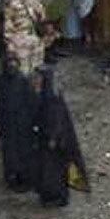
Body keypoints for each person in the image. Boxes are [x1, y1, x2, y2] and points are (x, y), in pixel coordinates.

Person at [32, 68, 85, 208]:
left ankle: (57, 196)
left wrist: (53, 137)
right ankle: (51, 195)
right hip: (49, 141)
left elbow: (57, 121)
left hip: (55, 143)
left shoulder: (53, 100)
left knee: (54, 172)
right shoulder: (49, 96)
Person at [0, 62, 40, 192]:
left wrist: (34, 122)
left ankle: (27, 179)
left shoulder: (23, 81)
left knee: (24, 152)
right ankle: (13, 178)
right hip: (8, 124)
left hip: (22, 124)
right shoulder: (0, 82)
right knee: (10, 153)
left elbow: (32, 102)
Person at [1, 0, 52, 75]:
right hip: (18, 38)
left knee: (37, 69)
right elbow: (8, 21)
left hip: (34, 37)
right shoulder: (11, 1)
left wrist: (48, 31)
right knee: (22, 70)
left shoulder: (37, 0)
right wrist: (9, 41)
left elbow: (43, 19)